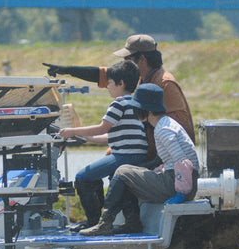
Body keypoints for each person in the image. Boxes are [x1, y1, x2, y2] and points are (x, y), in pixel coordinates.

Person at [43, 33, 194, 163]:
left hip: (165, 157)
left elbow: (176, 129)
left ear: (142, 59)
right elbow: (103, 74)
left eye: (128, 59)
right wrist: (69, 70)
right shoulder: (142, 77)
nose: (124, 63)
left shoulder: (165, 84)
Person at [79, 83, 200, 236]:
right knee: (129, 171)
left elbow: (182, 162)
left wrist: (181, 193)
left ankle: (105, 223)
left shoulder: (163, 130)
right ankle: (131, 222)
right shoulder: (165, 124)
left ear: (146, 110)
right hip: (181, 182)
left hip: (178, 186)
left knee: (123, 171)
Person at [56, 59, 148, 230]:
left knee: (83, 177)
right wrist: (87, 138)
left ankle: (94, 221)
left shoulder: (118, 103)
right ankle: (131, 219)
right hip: (137, 154)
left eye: (110, 83)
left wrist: (73, 131)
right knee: (104, 176)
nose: (107, 87)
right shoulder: (135, 103)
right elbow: (110, 136)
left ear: (121, 83)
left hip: (124, 155)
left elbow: (102, 128)